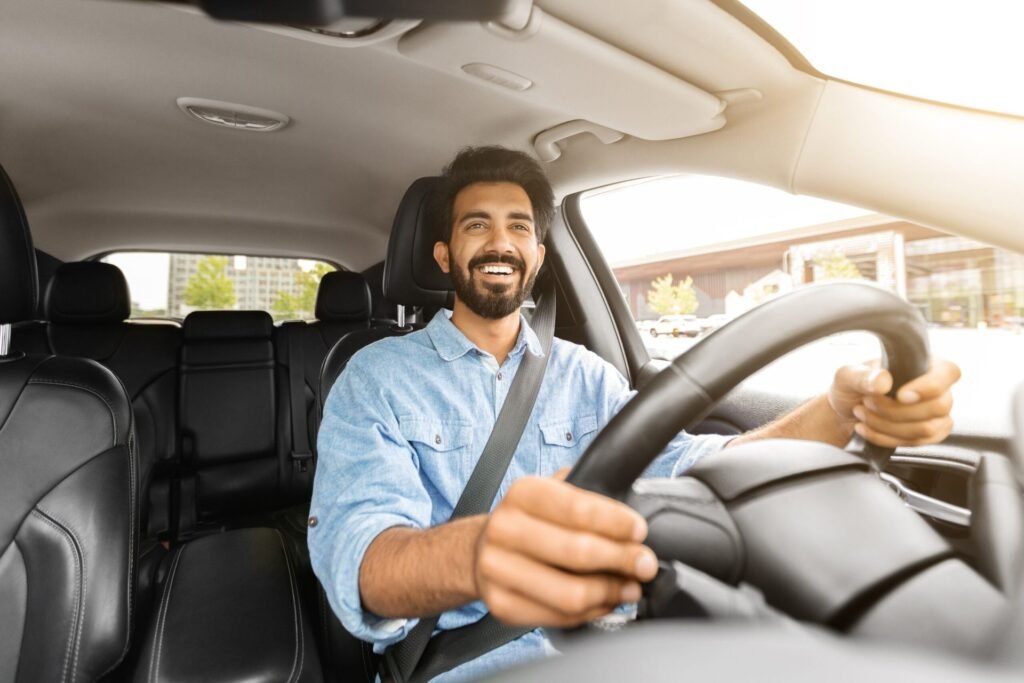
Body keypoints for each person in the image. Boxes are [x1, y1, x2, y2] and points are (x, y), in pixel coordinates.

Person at [308, 146, 960, 681]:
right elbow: (360, 557)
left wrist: (840, 411)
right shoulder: (376, 377)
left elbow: (699, 468)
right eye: (477, 225)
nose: (500, 242)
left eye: (520, 227)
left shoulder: (585, 375)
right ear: (445, 255)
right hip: (467, 666)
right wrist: (482, 552)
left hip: (625, 646)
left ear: (537, 256)